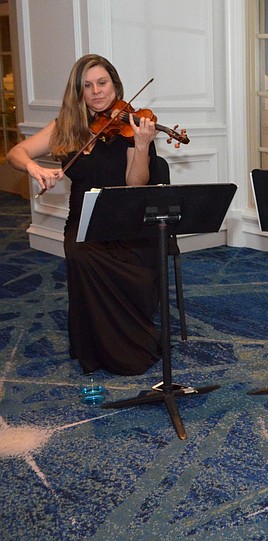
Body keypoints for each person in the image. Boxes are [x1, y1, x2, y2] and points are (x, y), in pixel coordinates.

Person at [7, 54, 164, 376]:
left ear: (114, 85)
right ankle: (95, 345)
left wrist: (144, 144)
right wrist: (35, 167)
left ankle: (130, 343)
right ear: (77, 91)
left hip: (127, 221)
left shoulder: (131, 125)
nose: (96, 91)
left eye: (102, 83)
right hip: (83, 221)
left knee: (127, 262)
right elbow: (15, 153)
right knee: (82, 255)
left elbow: (136, 183)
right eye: (87, 85)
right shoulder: (65, 127)